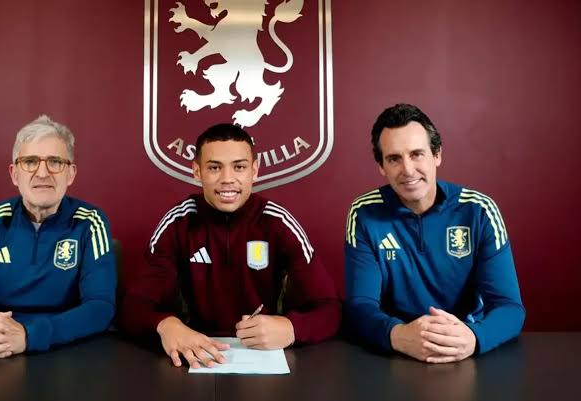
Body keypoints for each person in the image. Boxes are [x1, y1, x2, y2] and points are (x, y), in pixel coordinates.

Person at [118, 123, 339, 368]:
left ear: (254, 170)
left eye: (239, 167)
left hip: (261, 357)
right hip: (195, 358)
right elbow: (132, 308)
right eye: (214, 168)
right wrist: (166, 325)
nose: (227, 179)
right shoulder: (178, 223)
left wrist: (292, 328)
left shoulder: (278, 223)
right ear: (197, 171)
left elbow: (330, 308)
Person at [343, 103, 525, 363]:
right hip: (395, 353)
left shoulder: (479, 211)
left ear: (437, 155)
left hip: (464, 349)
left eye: (417, 154)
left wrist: (474, 337)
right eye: (394, 159)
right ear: (381, 166)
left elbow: (510, 308)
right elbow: (360, 305)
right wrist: (398, 335)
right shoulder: (364, 213)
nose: (407, 170)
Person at [0, 115, 116, 358]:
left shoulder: (90, 222)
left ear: (70, 174)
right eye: (30, 162)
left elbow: (100, 308)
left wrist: (28, 336)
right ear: (14, 174)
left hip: (66, 353)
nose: (42, 173)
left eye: (55, 162)